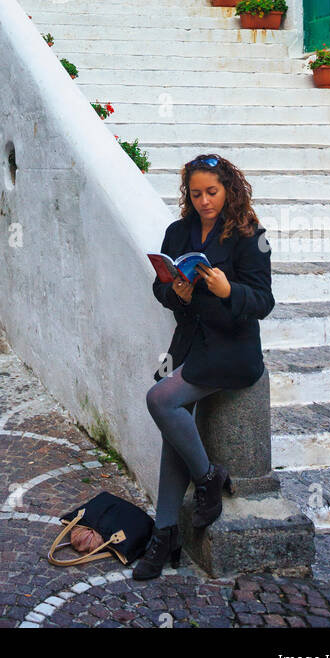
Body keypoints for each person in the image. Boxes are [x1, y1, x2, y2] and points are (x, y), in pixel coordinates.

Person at [133, 152, 274, 581]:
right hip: (188, 344)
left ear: (229, 189)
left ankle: (208, 477)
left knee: (160, 399)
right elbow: (162, 292)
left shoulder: (251, 235)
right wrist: (177, 290)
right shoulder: (179, 232)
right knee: (173, 431)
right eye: (195, 194)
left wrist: (230, 289)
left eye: (211, 192)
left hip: (232, 348)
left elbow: (264, 302)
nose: (204, 201)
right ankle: (165, 533)